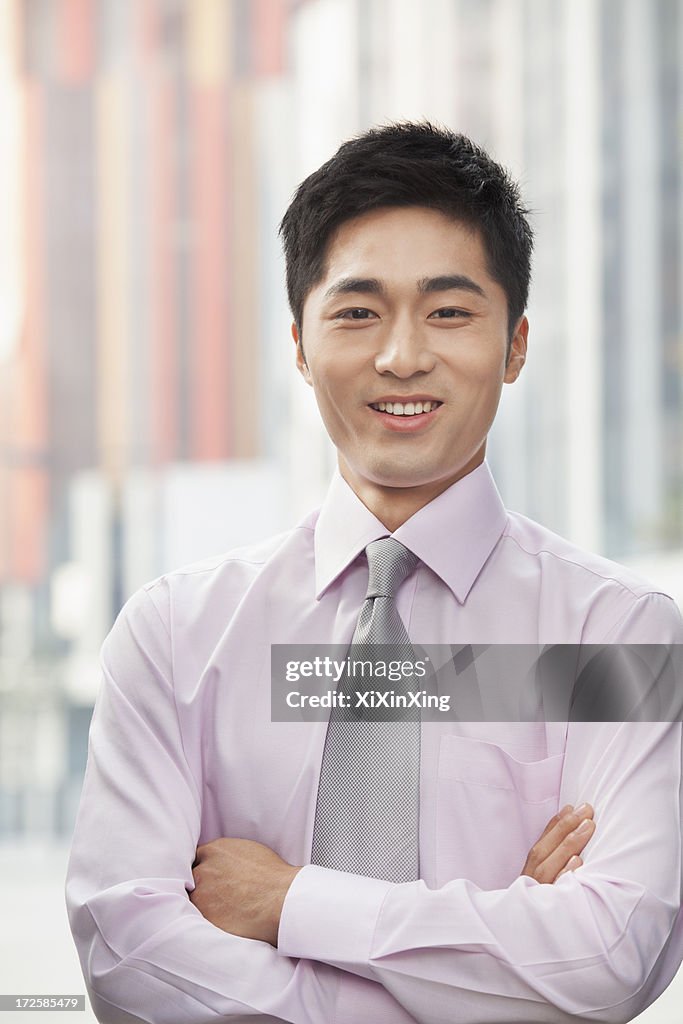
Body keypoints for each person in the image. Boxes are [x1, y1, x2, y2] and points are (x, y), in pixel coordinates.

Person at [66, 122, 683, 1024]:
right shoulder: (174, 636)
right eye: (357, 312)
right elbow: (128, 952)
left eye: (448, 311)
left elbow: (607, 953)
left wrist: (292, 906)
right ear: (299, 345)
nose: (401, 356)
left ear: (514, 346)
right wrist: (485, 970)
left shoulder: (613, 635)